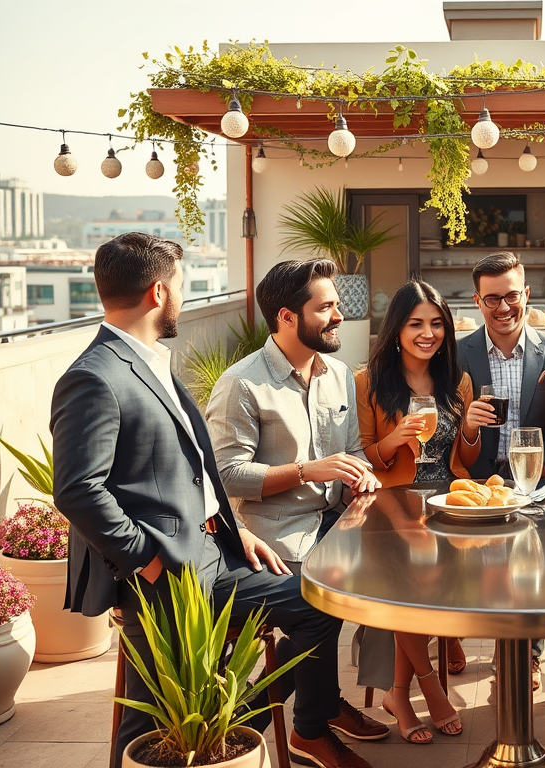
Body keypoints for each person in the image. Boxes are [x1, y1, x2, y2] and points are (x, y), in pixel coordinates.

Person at [50, 233, 372, 768]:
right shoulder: (94, 375)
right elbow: (78, 490)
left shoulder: (149, 360)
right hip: (162, 574)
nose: (183, 294)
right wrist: (149, 561)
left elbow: (193, 470)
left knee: (319, 609)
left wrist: (232, 529)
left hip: (216, 555)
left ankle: (239, 728)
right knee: (150, 724)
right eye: (180, 284)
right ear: (158, 293)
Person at [205, 258, 390, 743]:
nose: (338, 316)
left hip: (334, 524)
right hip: (274, 540)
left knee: (399, 572)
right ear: (287, 317)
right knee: (323, 606)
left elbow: (349, 451)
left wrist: (359, 474)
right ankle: (305, 722)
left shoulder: (337, 373)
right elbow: (224, 476)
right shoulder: (241, 384)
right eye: (325, 307)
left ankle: (321, 706)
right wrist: (309, 469)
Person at [355, 279, 487, 744]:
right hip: (392, 503)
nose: (427, 333)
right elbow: (368, 455)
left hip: (448, 499)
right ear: (396, 329)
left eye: (436, 324)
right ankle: (428, 690)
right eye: (416, 324)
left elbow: (464, 462)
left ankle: (397, 693)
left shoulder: (458, 381)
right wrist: (397, 438)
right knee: (411, 581)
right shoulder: (368, 381)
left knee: (433, 576)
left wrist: (469, 429)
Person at [456, 251, 545, 688]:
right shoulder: (459, 353)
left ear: (527, 293)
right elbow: (451, 422)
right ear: (477, 301)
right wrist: (469, 427)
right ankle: (489, 642)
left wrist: (542, 462)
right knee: (485, 571)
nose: (503, 308)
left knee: (532, 565)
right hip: (474, 481)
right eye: (492, 299)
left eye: (511, 296)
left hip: (533, 478)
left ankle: (528, 655)